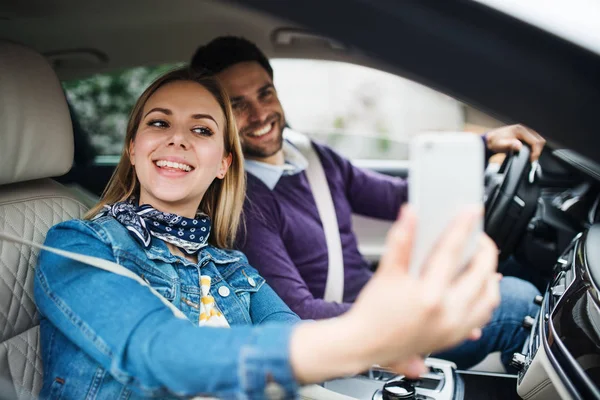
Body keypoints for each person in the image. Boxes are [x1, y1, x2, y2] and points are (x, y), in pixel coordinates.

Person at [34, 67, 501, 399]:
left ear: (223, 164)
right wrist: (359, 338)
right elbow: (155, 349)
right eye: (159, 123)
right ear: (133, 148)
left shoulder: (227, 263)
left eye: (201, 129)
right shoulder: (78, 245)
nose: (177, 138)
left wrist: (380, 340)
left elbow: (288, 330)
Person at [190, 36, 545, 373]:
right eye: (237, 105)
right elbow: (298, 312)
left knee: (515, 268)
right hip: (359, 335)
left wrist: (482, 147)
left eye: (265, 94)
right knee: (519, 303)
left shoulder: (311, 156)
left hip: (375, 302)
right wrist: (400, 311)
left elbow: (396, 197)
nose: (259, 113)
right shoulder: (243, 205)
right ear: (216, 118)